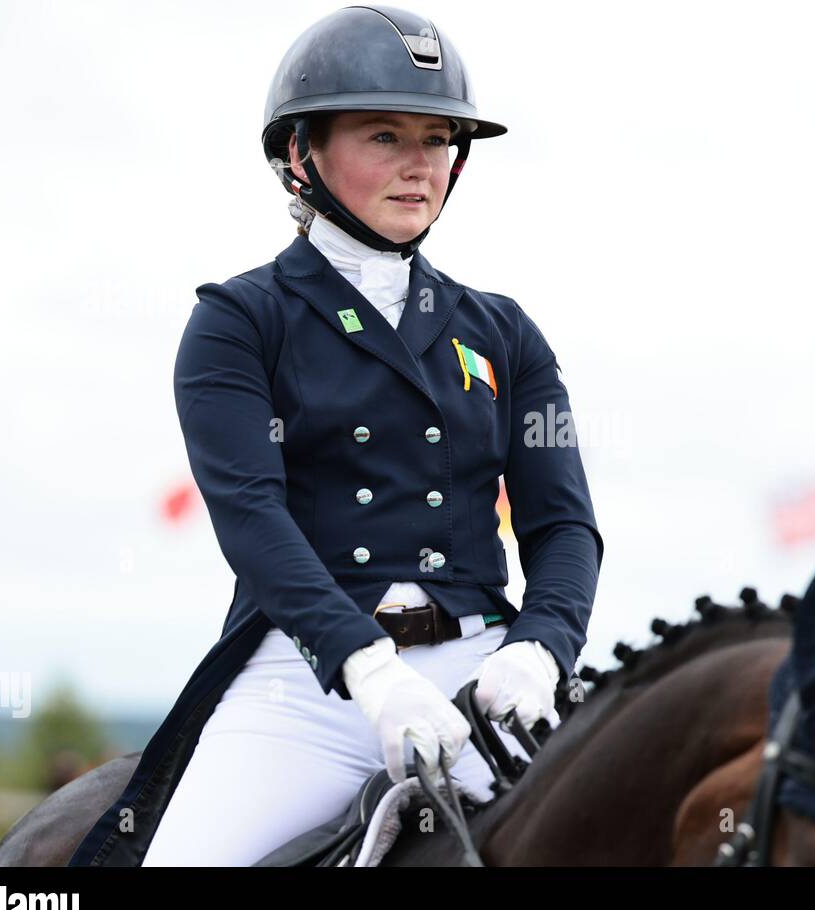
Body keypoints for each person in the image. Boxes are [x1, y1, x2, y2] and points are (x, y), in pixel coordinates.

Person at [123, 5, 602, 866]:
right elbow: (253, 520)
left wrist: (543, 645)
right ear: (300, 153)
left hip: (488, 678)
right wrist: (369, 672)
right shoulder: (238, 322)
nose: (422, 165)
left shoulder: (505, 334)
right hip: (308, 689)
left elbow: (563, 525)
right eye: (385, 135)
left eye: (439, 138)